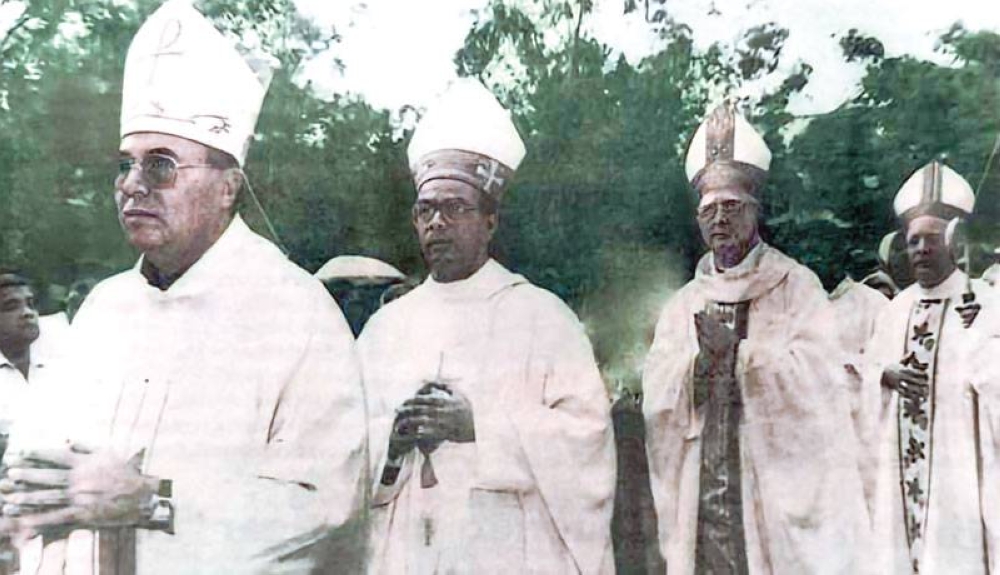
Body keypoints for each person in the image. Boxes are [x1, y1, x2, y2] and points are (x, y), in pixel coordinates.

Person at [0, 2, 367, 573]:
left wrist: (153, 498)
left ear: (228, 187)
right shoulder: (104, 309)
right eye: (125, 164)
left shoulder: (296, 312)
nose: (131, 185)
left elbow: (327, 506)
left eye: (162, 165)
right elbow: (34, 471)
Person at [358, 78, 616, 574]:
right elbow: (341, 447)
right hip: (406, 547)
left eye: (455, 208)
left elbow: (588, 441)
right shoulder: (385, 327)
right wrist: (391, 440)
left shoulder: (543, 319)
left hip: (506, 552)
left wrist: (478, 426)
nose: (437, 223)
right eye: (426, 210)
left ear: (490, 221)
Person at [642, 103, 869, 574]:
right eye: (710, 210)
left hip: (770, 489)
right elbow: (658, 398)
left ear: (755, 211)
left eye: (731, 207)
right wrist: (697, 369)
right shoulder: (683, 303)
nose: (719, 220)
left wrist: (740, 355)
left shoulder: (795, 285)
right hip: (702, 488)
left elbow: (822, 385)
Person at [863, 160, 1000, 574]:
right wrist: (884, 376)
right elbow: (865, 371)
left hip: (961, 475)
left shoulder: (983, 303)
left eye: (932, 239)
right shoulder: (895, 309)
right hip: (898, 475)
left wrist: (982, 341)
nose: (921, 249)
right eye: (914, 240)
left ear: (955, 243)